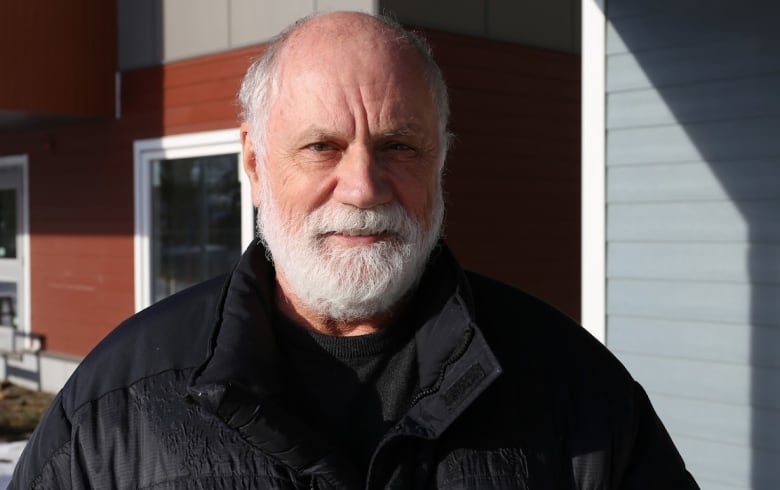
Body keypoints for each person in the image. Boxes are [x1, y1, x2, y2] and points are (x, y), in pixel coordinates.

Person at [10, 11, 698, 490]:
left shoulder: (576, 390)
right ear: (253, 164)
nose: (364, 187)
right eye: (320, 147)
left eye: (399, 145)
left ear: (440, 162)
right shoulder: (115, 407)